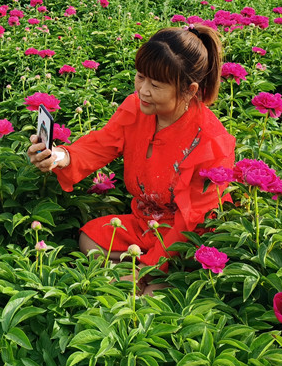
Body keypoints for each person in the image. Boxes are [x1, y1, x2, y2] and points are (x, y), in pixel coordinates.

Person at [27, 25, 235, 271]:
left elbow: (192, 219)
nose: (143, 90)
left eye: (156, 85)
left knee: (151, 291)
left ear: (189, 90)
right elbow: (100, 145)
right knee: (89, 239)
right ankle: (131, 278)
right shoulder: (135, 108)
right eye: (140, 77)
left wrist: (148, 268)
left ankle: (136, 278)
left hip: (186, 238)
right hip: (145, 223)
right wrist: (60, 156)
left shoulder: (210, 141)